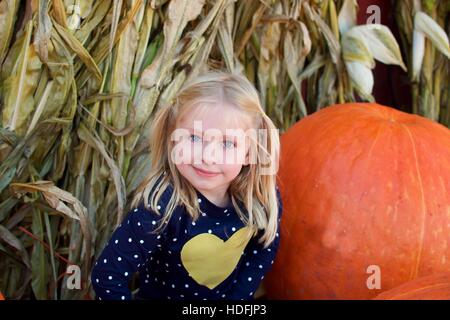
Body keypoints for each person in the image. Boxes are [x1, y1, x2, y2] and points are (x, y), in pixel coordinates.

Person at [91, 70, 283, 300]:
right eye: (194, 138)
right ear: (173, 137)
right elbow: (107, 275)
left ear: (249, 152)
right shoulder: (159, 210)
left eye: (227, 144)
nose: (208, 156)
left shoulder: (258, 199)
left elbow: (264, 248)